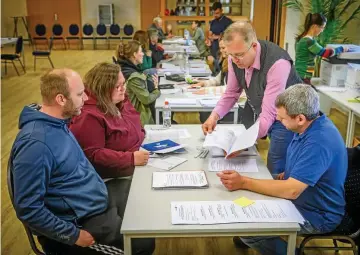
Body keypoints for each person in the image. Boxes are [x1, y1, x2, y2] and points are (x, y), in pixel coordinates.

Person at [10, 68, 155, 254]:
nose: (86, 99)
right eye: (80, 94)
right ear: (61, 99)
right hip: (79, 222)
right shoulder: (36, 145)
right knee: (142, 243)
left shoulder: (59, 121)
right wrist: (73, 235)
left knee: (143, 196)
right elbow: (28, 209)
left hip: (91, 200)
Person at [218, 84, 347, 254]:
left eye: (282, 118)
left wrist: (243, 182)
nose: (278, 121)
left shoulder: (318, 142)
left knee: (249, 230)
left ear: (300, 118)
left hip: (318, 214)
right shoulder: (310, 124)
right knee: (246, 200)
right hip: (304, 198)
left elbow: (292, 191)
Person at [202, 21, 304, 174]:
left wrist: (242, 144)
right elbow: (231, 93)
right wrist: (214, 116)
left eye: (239, 55)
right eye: (231, 55)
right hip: (267, 113)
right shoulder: (234, 57)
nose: (235, 60)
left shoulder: (278, 64)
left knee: (276, 163)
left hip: (291, 117)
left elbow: (269, 113)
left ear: (254, 46)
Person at [69, 63, 149, 179]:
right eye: (117, 86)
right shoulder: (89, 116)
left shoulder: (120, 99)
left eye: (123, 83)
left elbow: (136, 121)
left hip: (142, 157)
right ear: (103, 88)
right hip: (115, 176)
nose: (123, 89)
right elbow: (93, 154)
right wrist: (131, 158)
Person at [295, 13, 348, 84]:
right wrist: (341, 49)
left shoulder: (302, 39)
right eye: (322, 27)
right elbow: (326, 53)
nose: (322, 30)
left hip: (299, 74)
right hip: (303, 75)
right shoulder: (309, 41)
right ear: (315, 26)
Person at [118, 40, 161, 125]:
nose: (143, 54)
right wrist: (156, 89)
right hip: (137, 119)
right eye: (141, 51)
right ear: (134, 54)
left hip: (129, 115)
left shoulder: (124, 68)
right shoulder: (134, 76)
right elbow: (147, 99)